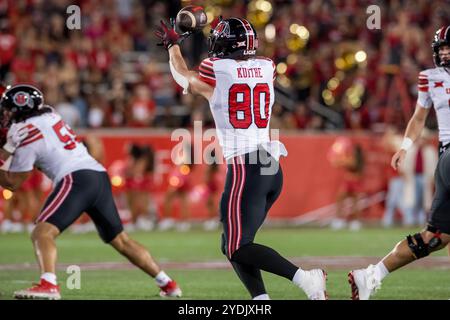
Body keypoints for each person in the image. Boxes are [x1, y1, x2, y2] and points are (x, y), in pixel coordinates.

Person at [155, 17, 327, 300]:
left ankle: (307, 279)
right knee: (232, 243)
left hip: (247, 168)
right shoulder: (266, 66)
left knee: (237, 246)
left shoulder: (216, 67)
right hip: (271, 166)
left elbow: (182, 75)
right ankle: (260, 299)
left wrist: (173, 45)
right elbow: (226, 90)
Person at [0, 84, 181, 300]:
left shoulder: (23, 132)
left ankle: (48, 284)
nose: (6, 115)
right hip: (97, 176)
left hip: (75, 178)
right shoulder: (50, 115)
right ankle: (168, 284)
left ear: (21, 107)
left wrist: (7, 148)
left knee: (42, 232)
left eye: (9, 110)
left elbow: (12, 183)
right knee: (121, 240)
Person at [348, 26, 450, 300]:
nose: (444, 52)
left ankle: (370, 276)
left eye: (448, 47)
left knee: (435, 237)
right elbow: (418, 118)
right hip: (448, 155)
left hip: (446, 162)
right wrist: (405, 147)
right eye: (441, 48)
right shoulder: (430, 78)